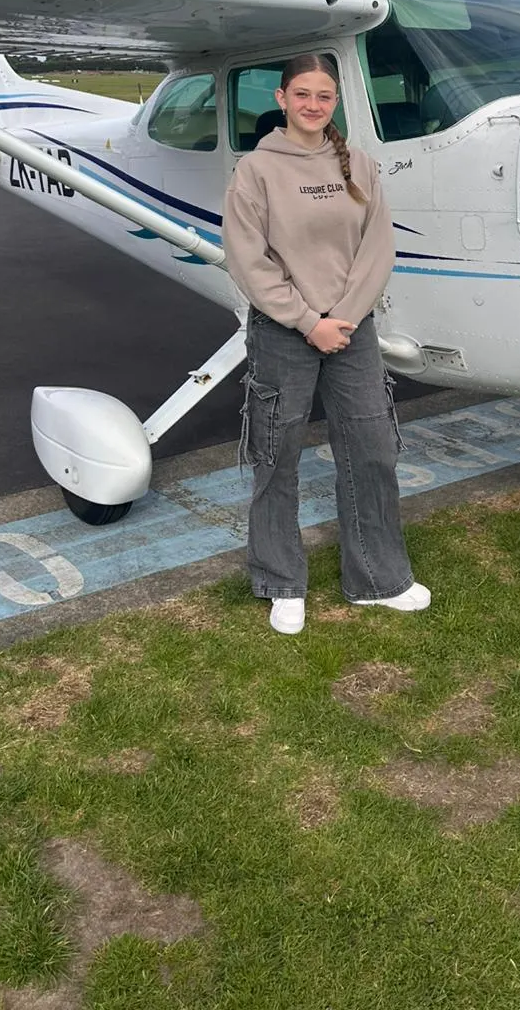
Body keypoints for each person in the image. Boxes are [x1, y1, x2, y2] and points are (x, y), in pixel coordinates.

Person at [222, 52, 431, 635]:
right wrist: (306, 319)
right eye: (303, 94)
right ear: (281, 99)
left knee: (371, 449)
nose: (314, 105)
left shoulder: (358, 163)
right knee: (276, 455)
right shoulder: (256, 170)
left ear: (334, 103)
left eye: (325, 96)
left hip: (351, 329)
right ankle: (280, 581)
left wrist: (343, 315)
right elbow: (248, 258)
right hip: (284, 331)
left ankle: (377, 578)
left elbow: (377, 246)